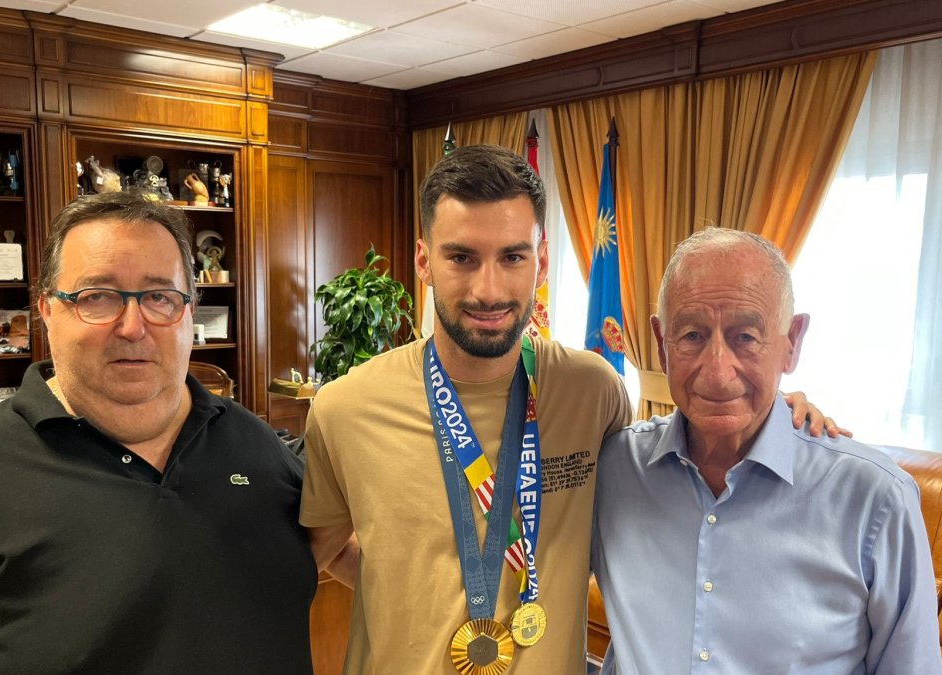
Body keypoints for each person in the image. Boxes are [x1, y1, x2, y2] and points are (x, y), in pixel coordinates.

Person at [302, 145, 840, 674]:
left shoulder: (593, 391)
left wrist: (770, 413)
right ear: (423, 260)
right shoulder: (345, 408)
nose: (488, 289)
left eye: (513, 256)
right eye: (461, 257)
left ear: (540, 263)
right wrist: (397, 584)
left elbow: (672, 470)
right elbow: (317, 551)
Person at [0, 191, 317, 673]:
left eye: (159, 296)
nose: (133, 326)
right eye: (97, 297)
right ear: (46, 310)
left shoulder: (258, 449)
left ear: (190, 310)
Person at [592, 228, 941, 673]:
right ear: (662, 343)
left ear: (791, 341)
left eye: (746, 337)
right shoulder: (613, 469)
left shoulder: (876, 499)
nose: (717, 373)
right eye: (693, 335)